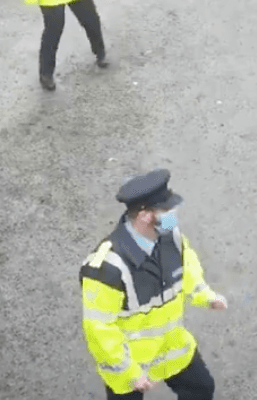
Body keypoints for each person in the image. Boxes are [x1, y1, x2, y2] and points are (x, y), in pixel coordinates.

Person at [81, 169, 227, 399]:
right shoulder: (107, 268)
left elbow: (188, 269)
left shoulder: (171, 238)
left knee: (201, 388)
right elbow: (100, 329)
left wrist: (206, 297)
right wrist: (130, 373)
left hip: (172, 349)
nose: (173, 214)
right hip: (130, 362)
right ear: (144, 216)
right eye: (166, 210)